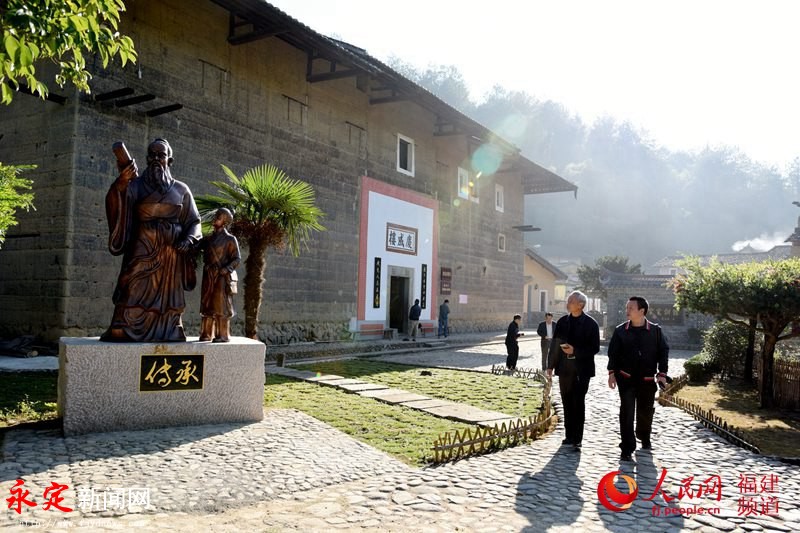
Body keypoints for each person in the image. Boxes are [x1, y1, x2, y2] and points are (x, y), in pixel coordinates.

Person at [101, 138, 202, 342]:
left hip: (171, 253)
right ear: (147, 158)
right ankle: (124, 325)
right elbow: (117, 202)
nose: (156, 159)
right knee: (132, 284)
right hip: (142, 247)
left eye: (161, 155)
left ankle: (170, 326)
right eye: (152, 155)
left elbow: (194, 221)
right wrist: (121, 183)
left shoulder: (181, 190)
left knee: (169, 295)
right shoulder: (136, 185)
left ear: (169, 160)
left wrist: (189, 239)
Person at [607, 296, 669, 462]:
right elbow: (613, 353)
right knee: (626, 412)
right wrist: (612, 373)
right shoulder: (621, 330)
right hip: (626, 378)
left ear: (642, 311)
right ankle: (627, 447)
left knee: (645, 411)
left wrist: (662, 373)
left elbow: (663, 352)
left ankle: (644, 435)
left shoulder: (655, 331)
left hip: (647, 379)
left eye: (631, 308)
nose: (627, 311)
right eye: (626, 308)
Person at [546, 290, 600, 451]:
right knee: (567, 401)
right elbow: (555, 345)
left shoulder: (591, 324)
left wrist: (575, 351)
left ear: (580, 305)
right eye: (568, 300)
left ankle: (577, 438)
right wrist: (550, 365)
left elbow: (594, 348)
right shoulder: (563, 322)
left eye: (571, 301)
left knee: (578, 401)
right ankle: (568, 435)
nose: (567, 303)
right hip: (564, 369)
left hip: (582, 369)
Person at [199, 208, 241, 343]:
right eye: (215, 216)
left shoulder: (230, 239)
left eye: (218, 217)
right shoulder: (208, 239)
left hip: (221, 277)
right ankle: (206, 333)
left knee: (220, 306)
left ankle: (222, 335)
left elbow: (237, 259)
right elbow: (195, 247)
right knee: (206, 305)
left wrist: (226, 269)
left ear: (225, 222)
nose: (215, 219)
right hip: (208, 275)